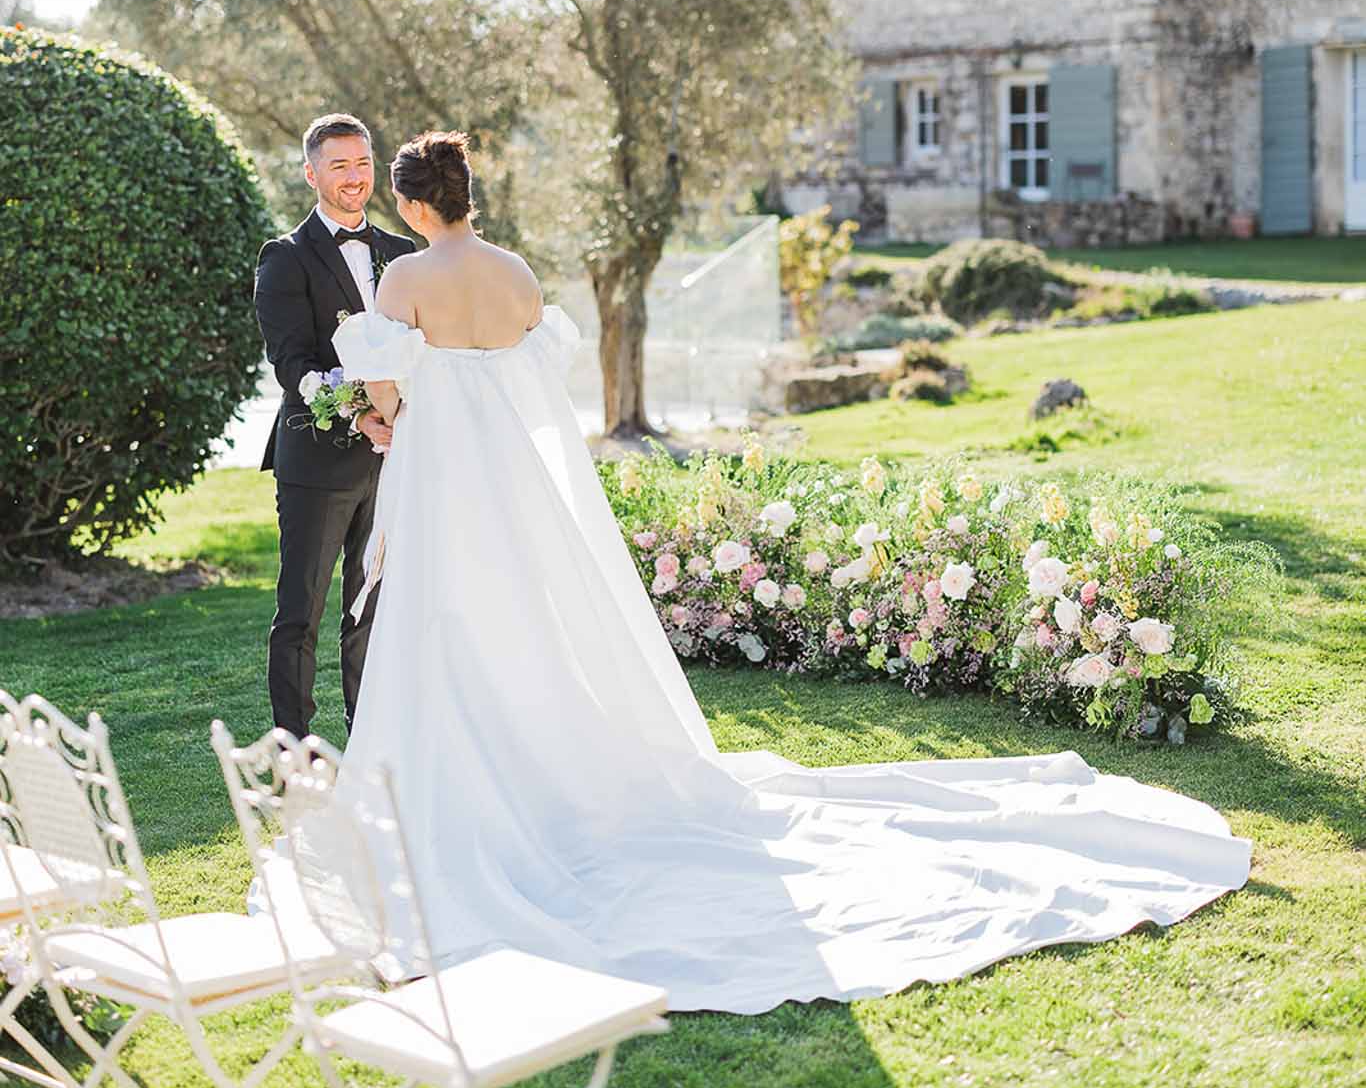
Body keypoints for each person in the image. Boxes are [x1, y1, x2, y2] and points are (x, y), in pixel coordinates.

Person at [329, 130, 1251, 1016]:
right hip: (521, 492)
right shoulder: (518, 276)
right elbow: (535, 390)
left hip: (448, 484)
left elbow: (385, 388)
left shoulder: (405, 278)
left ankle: (477, 796)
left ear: (415, 205)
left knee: (453, 627)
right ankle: (549, 778)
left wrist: (381, 418)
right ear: (466, 195)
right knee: (533, 624)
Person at [254, 114, 413, 739]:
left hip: (394, 461)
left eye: (363, 163)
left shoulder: (403, 254)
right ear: (310, 173)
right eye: (339, 165)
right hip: (317, 465)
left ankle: (368, 736)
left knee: (372, 608)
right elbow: (291, 362)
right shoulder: (285, 258)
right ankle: (294, 748)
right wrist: (358, 413)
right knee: (301, 611)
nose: (354, 177)